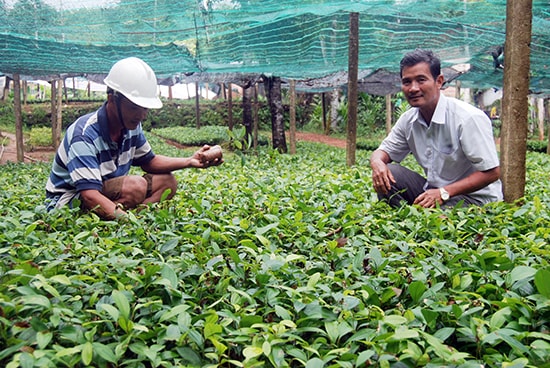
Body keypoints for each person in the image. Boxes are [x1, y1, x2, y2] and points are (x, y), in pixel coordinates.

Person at [45, 57, 222, 220]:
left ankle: (128, 216)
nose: (142, 115)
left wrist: (190, 161)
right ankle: (127, 221)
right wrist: (129, 223)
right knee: (135, 185)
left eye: (145, 108)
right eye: (135, 108)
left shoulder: (131, 126)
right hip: (70, 200)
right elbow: (89, 194)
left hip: (104, 188)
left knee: (167, 182)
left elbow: (149, 161)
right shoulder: (83, 134)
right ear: (112, 99)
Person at [370, 49, 502, 209]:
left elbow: (493, 172)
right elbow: (383, 152)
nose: (413, 88)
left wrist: (444, 192)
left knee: (437, 222)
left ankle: (429, 218)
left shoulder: (467, 118)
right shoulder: (408, 120)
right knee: (391, 173)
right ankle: (405, 222)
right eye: (407, 82)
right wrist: (377, 163)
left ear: (439, 81)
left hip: (474, 200)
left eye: (421, 80)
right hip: (435, 193)